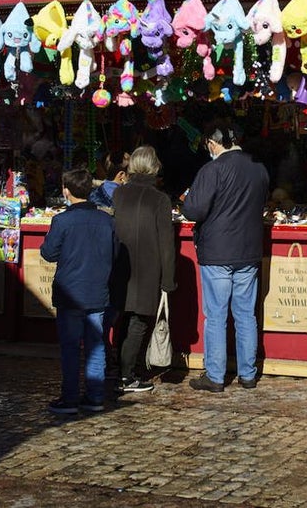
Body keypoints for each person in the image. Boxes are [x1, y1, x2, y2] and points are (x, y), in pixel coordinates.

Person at [182, 120, 269, 392]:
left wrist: (186, 200)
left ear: (213, 142)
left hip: (218, 251)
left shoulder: (213, 169)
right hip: (248, 251)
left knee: (216, 315)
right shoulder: (259, 168)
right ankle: (247, 375)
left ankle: (216, 376)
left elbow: (193, 211)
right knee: (246, 314)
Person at [40, 167, 118, 415]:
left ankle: (70, 397)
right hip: (97, 291)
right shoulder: (107, 221)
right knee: (96, 346)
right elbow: (116, 255)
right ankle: (95, 396)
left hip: (70, 292)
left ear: (66, 191)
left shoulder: (62, 221)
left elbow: (48, 253)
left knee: (71, 347)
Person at [112, 145, 177, 393]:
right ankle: (126, 375)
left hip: (121, 265)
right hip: (148, 268)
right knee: (138, 322)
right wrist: (168, 281)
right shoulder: (160, 199)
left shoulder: (119, 194)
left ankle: (118, 370)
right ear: (155, 167)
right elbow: (166, 245)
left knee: (123, 317)